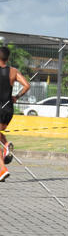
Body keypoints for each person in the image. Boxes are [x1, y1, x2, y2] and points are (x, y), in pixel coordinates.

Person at [0, 46, 31, 182]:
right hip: (8, 109)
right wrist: (16, 97)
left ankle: (3, 169)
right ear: (8, 58)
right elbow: (27, 85)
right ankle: (6, 147)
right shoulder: (13, 71)